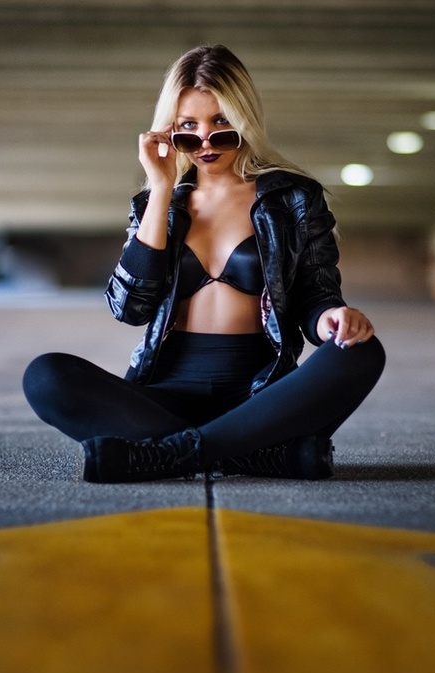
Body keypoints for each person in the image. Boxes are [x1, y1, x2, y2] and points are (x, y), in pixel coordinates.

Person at [23, 44, 385, 483]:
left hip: (264, 397)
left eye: (222, 125)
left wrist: (333, 319)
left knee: (362, 351)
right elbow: (130, 308)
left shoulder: (293, 198)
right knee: (45, 376)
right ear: (169, 132)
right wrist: (160, 190)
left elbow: (316, 295)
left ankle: (173, 454)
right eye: (188, 129)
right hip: (163, 395)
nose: (207, 143)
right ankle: (251, 455)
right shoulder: (156, 205)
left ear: (245, 121)